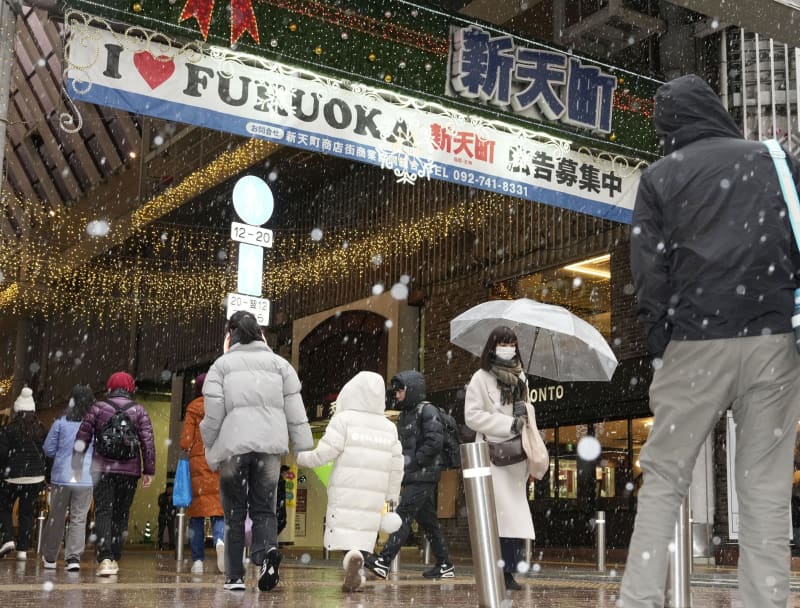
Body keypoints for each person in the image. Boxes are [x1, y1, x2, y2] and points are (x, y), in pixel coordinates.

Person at [619, 74, 800, 608]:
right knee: (765, 492)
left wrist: (664, 339)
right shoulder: (774, 160)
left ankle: (640, 601)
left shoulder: (660, 177)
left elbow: (649, 272)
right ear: (716, 110)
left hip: (695, 341)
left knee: (664, 482)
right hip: (773, 342)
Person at [200, 310, 313, 592]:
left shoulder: (221, 367)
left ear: (232, 335)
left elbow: (213, 415)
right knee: (264, 509)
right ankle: (265, 556)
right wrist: (302, 445)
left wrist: (209, 442)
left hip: (233, 448)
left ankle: (235, 576)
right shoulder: (280, 365)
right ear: (260, 334)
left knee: (234, 513)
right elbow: (295, 411)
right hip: (269, 448)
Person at [297, 371, 403, 592]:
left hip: (345, 488)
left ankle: (351, 559)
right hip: (374, 493)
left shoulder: (343, 420)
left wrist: (301, 458)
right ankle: (358, 563)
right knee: (364, 532)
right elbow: (396, 467)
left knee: (347, 530)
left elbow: (325, 453)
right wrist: (392, 498)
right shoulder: (389, 427)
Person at [363, 370, 455, 580]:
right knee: (428, 522)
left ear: (411, 390)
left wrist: (413, 463)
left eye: (400, 390)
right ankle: (445, 564)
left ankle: (384, 561)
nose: (396, 395)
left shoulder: (427, 410)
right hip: (415, 474)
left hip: (424, 474)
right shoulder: (406, 414)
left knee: (403, 515)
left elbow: (434, 442)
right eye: (395, 391)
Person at [463, 327, 534, 591]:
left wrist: (524, 411)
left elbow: (529, 411)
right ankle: (498, 569)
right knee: (497, 515)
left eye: (512, 343)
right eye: (503, 343)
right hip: (492, 453)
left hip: (517, 455)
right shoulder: (480, 378)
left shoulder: (521, 377)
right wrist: (507, 423)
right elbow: (472, 416)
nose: (508, 347)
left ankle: (510, 570)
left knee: (513, 514)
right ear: (492, 346)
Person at [73, 371, 156, 577]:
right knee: (121, 513)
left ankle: (105, 558)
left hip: (102, 469)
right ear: (130, 388)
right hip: (129, 471)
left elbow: (82, 437)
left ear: (110, 387)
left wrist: (77, 464)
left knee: (103, 511)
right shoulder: (139, 410)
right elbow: (148, 442)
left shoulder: (98, 408)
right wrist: (149, 470)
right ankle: (115, 555)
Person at [41, 384, 96, 571]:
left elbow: (48, 449)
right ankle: (73, 559)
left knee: (56, 517)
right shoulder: (94, 425)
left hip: (61, 477)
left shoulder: (60, 423)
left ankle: (50, 557)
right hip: (85, 478)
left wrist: (61, 454)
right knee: (79, 518)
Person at [179, 372, 225, 574]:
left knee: (196, 514)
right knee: (218, 510)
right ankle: (220, 540)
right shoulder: (222, 406)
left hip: (198, 464)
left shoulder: (192, 408)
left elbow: (185, 441)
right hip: (218, 464)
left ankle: (197, 561)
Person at [0, 387, 47, 561]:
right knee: (27, 513)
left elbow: (2, 454)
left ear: (17, 410)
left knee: (4, 508)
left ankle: (7, 538)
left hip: (12, 477)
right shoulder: (41, 429)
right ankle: (22, 550)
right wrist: (46, 476)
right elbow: (46, 453)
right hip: (35, 478)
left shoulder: (9, 429)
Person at [157, 483, 176, 550]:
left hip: (171, 517)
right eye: (169, 489)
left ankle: (171, 545)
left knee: (171, 531)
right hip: (162, 515)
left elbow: (175, 507)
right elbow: (160, 503)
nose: (171, 490)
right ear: (166, 489)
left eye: (172, 489)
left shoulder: (174, 497)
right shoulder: (162, 496)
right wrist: (167, 500)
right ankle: (160, 545)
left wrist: (172, 514)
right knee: (161, 531)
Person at [276, 465, 289, 536]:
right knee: (281, 522)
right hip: (279, 505)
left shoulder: (281, 481)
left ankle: (273, 537)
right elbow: (280, 494)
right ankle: (273, 537)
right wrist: (280, 504)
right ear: (282, 472)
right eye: (286, 473)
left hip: (280, 505)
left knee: (281, 522)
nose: (287, 475)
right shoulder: (280, 482)